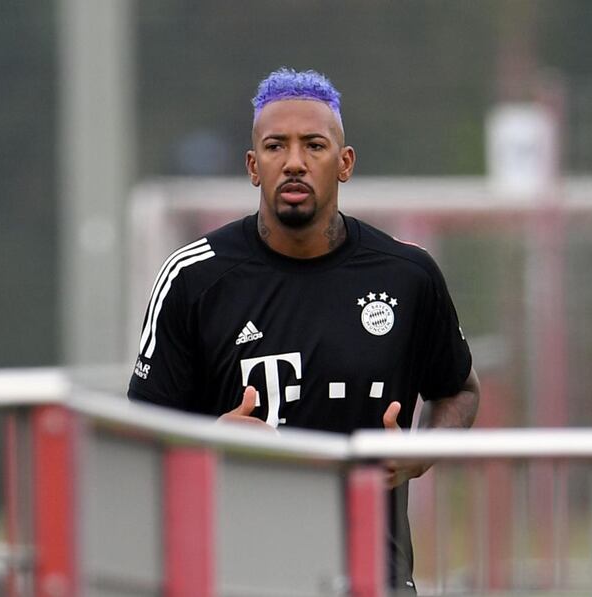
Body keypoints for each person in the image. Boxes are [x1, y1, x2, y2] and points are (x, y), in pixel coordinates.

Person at [128, 67, 480, 593]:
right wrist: (208, 441)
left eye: (314, 145)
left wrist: (422, 452)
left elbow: (459, 390)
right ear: (253, 166)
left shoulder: (407, 276)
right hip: (235, 578)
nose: (294, 162)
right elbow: (138, 434)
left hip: (371, 576)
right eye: (276, 146)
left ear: (345, 163)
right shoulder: (194, 277)